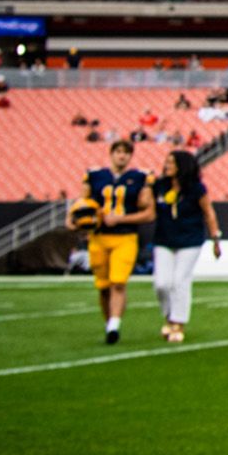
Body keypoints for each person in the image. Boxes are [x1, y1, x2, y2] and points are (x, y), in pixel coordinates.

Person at [71, 137, 152, 343]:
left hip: (125, 236)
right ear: (111, 154)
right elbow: (82, 202)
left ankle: (114, 324)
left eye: (126, 152)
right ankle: (109, 325)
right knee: (103, 286)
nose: (122, 155)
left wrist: (121, 218)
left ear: (130, 156)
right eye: (118, 152)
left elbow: (149, 213)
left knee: (118, 283)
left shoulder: (140, 178)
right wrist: (76, 218)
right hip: (99, 237)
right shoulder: (95, 175)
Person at [149, 148, 220, 342]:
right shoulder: (160, 186)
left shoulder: (196, 188)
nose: (167, 166)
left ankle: (178, 323)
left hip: (190, 239)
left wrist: (215, 239)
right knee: (161, 283)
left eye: (172, 162)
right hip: (164, 239)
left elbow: (208, 212)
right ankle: (169, 316)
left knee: (180, 279)